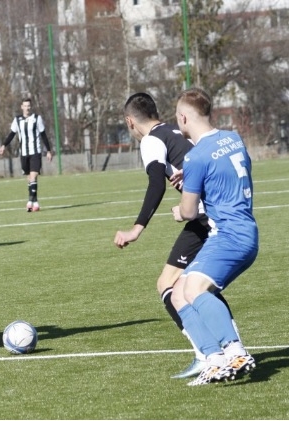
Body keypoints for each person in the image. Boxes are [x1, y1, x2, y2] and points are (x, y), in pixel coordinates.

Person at [113, 92, 241, 379]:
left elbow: (156, 182)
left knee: (170, 284)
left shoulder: (151, 140)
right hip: (212, 213)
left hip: (205, 218)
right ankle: (228, 349)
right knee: (191, 285)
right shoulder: (174, 129)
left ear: (129, 121)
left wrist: (137, 228)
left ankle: (209, 354)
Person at [170, 87, 258, 386]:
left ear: (183, 117)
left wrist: (178, 211)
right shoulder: (233, 138)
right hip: (246, 230)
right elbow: (232, 171)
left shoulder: (196, 157)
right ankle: (214, 359)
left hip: (229, 236)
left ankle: (235, 351)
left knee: (194, 288)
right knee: (179, 290)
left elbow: (190, 210)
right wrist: (199, 179)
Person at [0, 97, 53, 212]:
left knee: (33, 176)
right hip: (23, 153)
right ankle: (36, 203)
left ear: (31, 107)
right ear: (21, 107)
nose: (27, 108)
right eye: (25, 106)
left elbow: (43, 135)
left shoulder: (37, 119)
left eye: (29, 106)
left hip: (35, 152)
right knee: (29, 179)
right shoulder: (17, 120)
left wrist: (48, 150)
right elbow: (12, 134)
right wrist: (4, 145)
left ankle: (29, 201)